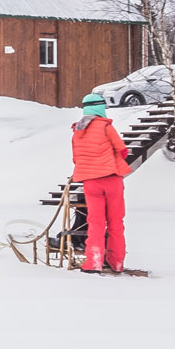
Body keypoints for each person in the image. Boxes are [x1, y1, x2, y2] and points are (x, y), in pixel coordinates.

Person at [70, 91, 133, 273]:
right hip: (111, 180)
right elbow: (123, 150)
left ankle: (93, 262)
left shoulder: (77, 131)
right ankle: (116, 262)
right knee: (115, 223)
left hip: (90, 182)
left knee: (95, 222)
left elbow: (76, 159)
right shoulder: (106, 126)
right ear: (101, 108)